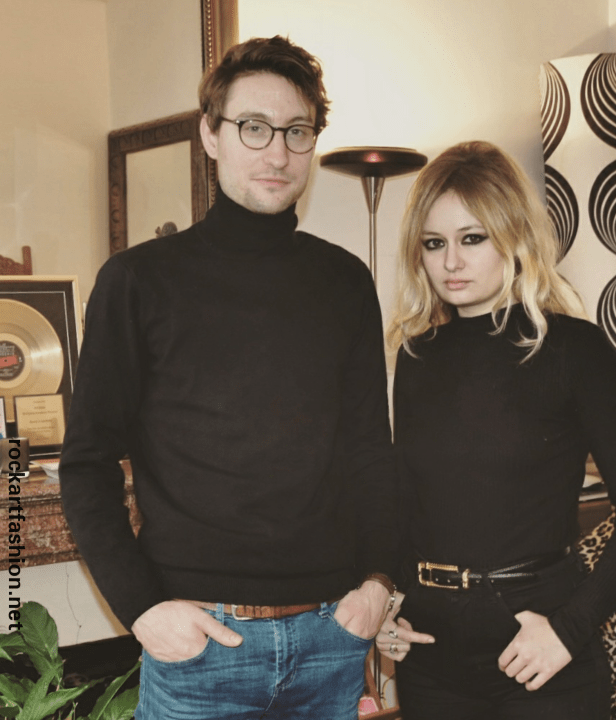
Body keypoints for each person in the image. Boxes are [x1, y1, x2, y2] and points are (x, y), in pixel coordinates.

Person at [60, 36, 397, 720]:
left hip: (331, 639)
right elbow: (87, 462)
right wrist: (143, 611)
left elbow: (370, 452)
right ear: (210, 135)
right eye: (254, 127)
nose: (277, 153)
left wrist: (378, 584)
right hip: (199, 649)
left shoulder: (345, 281)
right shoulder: (137, 281)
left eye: (297, 131)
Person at [374, 141, 616, 719]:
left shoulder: (574, 349)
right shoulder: (416, 356)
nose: (450, 262)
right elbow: (408, 503)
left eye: (472, 238)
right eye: (434, 243)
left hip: (543, 659)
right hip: (431, 659)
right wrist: (389, 599)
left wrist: (568, 631)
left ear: (513, 236)